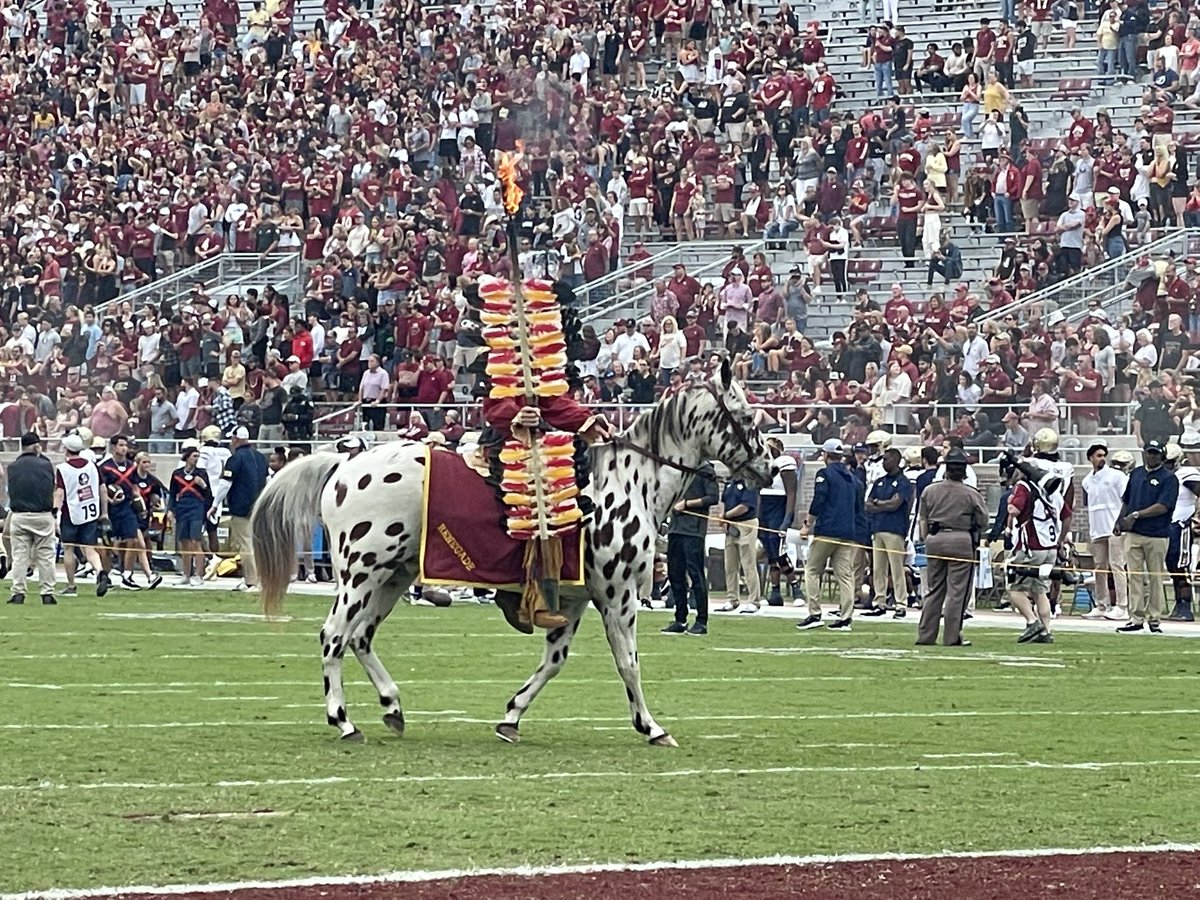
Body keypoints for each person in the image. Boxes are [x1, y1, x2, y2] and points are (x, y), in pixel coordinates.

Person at [916, 447, 989, 645]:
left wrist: (926, 539)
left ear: (946, 469)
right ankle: (952, 636)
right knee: (957, 592)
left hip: (934, 539)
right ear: (964, 471)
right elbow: (983, 520)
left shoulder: (930, 491)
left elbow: (923, 518)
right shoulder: (971, 494)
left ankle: (925, 635)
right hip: (961, 540)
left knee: (934, 590)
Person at [797, 438, 863, 631]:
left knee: (812, 570)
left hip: (828, 530)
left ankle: (815, 613)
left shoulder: (824, 474)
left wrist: (808, 524)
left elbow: (819, 499)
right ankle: (846, 617)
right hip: (848, 531)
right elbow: (859, 508)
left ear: (826, 454)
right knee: (845, 575)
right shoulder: (853, 479)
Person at [1116, 440, 1177, 634]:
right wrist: (1120, 521)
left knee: (1155, 578)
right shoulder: (1136, 474)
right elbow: (1126, 500)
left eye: (1156, 453)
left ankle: (1154, 618)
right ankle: (1136, 618)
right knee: (1134, 577)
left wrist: (1136, 515)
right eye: (1149, 453)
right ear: (1144, 453)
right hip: (1134, 534)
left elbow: (1163, 506)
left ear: (1162, 456)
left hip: (1157, 534)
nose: (1152, 456)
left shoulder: (1169, 478)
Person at [1005, 451, 1065, 643]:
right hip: (1050, 546)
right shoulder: (1047, 491)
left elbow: (1014, 510)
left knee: (1014, 586)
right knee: (1040, 590)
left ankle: (1032, 622)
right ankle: (1046, 631)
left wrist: (1009, 503)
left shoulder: (1023, 486)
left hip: (1032, 545)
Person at [661, 462, 719, 636]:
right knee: (675, 574)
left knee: (696, 574)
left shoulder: (705, 470)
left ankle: (701, 621)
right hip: (675, 528)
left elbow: (712, 498)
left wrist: (686, 504)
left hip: (694, 530)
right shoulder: (680, 468)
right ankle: (680, 619)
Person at [210, 426, 270, 592]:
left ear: (236, 439)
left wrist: (215, 505)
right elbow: (268, 480)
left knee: (245, 544)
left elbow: (225, 484)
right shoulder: (260, 457)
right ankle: (251, 579)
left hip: (242, 507)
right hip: (259, 506)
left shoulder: (235, 459)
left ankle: (253, 581)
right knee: (254, 544)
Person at [54, 432, 112, 598]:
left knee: (69, 548)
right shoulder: (92, 466)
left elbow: (60, 493)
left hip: (71, 513)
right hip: (90, 511)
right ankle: (100, 571)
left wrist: (54, 512)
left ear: (67, 449)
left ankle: (71, 585)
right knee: (89, 547)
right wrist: (104, 512)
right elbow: (102, 489)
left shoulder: (62, 469)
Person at [6, 433, 57, 604]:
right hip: (42, 514)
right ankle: (47, 592)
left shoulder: (13, 466)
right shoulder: (46, 464)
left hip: (19, 515)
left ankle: (18, 592)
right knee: (46, 555)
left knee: (20, 556)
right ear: (36, 446)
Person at [1081, 443, 1129, 620]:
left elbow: (1126, 499)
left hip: (1114, 528)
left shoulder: (1116, 476)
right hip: (1097, 528)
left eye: (1103, 455)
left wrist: (1121, 522)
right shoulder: (1087, 481)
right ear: (1090, 458)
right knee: (1100, 567)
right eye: (1098, 455)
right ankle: (1102, 605)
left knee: (1117, 565)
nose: (1101, 458)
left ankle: (1122, 606)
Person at [100, 435, 154, 591]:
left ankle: (127, 575)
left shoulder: (131, 466)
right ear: (113, 447)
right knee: (108, 546)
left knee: (133, 540)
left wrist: (140, 503)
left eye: (125, 445)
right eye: (121, 445)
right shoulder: (105, 466)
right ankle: (106, 576)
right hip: (111, 510)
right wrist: (109, 501)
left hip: (127, 508)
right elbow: (102, 488)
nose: (124, 448)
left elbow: (135, 487)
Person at [864, 448, 913, 616]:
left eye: (886, 459)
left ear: (896, 460)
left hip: (895, 529)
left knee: (897, 567)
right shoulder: (879, 482)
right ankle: (880, 601)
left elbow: (896, 504)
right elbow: (868, 504)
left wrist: (878, 504)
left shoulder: (903, 482)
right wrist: (881, 504)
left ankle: (901, 603)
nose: (884, 462)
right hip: (877, 528)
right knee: (878, 568)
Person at [758, 437, 801, 606]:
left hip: (778, 507)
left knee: (778, 551)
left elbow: (791, 493)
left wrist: (787, 518)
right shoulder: (763, 464)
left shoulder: (784, 462)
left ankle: (795, 587)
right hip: (765, 508)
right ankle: (775, 591)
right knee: (770, 552)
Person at [1165, 436, 1200, 621]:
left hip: (1181, 525)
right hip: (1167, 526)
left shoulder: (1187, 473)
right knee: (1172, 566)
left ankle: (1185, 608)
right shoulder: (1163, 475)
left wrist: (1196, 517)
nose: (1167, 465)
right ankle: (1178, 606)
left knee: (1181, 567)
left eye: (1170, 462)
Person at [168, 444, 213, 586]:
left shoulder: (202, 473)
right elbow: (172, 494)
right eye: (194, 456)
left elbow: (209, 495)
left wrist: (203, 486)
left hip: (196, 508)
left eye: (198, 456)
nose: (196, 459)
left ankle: (199, 575)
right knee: (184, 542)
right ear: (187, 457)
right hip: (182, 508)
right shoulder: (177, 474)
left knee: (195, 541)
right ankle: (186, 574)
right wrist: (170, 510)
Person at [716, 473, 761, 613]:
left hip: (746, 524)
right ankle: (732, 599)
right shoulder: (730, 483)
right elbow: (723, 502)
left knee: (748, 564)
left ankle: (754, 600)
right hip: (731, 525)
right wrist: (723, 520)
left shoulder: (749, 482)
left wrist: (725, 516)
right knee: (730, 565)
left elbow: (745, 506)